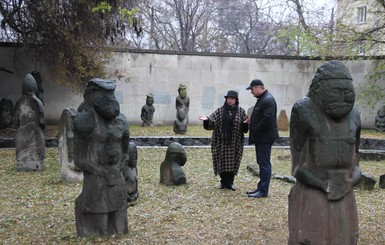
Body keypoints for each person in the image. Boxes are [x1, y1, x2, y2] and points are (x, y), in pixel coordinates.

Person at [288, 61, 361, 244]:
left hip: (345, 196)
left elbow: (356, 164)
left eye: (348, 92)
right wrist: (323, 185)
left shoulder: (354, 115)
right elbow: (297, 168)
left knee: (345, 238)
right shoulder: (304, 110)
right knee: (312, 237)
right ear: (320, 89)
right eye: (337, 91)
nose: (344, 98)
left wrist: (350, 182)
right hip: (313, 195)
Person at [73, 78, 130, 237]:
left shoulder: (121, 121)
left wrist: (119, 167)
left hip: (116, 176)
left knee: (118, 219)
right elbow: (78, 159)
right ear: (91, 96)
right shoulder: (84, 121)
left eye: (111, 94)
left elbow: (125, 152)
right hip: (96, 177)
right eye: (103, 94)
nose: (109, 99)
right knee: (99, 220)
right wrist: (99, 171)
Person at [199, 90, 248, 190]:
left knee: (233, 162)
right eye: (228, 99)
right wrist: (207, 120)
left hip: (235, 142)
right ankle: (223, 182)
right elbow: (212, 121)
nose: (230, 101)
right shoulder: (220, 111)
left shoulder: (241, 111)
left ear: (236, 100)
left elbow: (244, 128)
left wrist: (245, 124)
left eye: (232, 99)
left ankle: (230, 182)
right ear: (226, 100)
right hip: (221, 142)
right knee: (221, 161)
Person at [245, 79, 279, 198]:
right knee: (262, 163)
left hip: (264, 137)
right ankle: (261, 187)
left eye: (252, 89)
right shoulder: (263, 99)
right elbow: (262, 117)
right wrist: (252, 121)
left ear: (259, 87)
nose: (251, 92)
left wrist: (255, 129)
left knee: (264, 164)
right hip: (261, 137)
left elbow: (267, 120)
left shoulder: (268, 100)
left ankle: (263, 190)